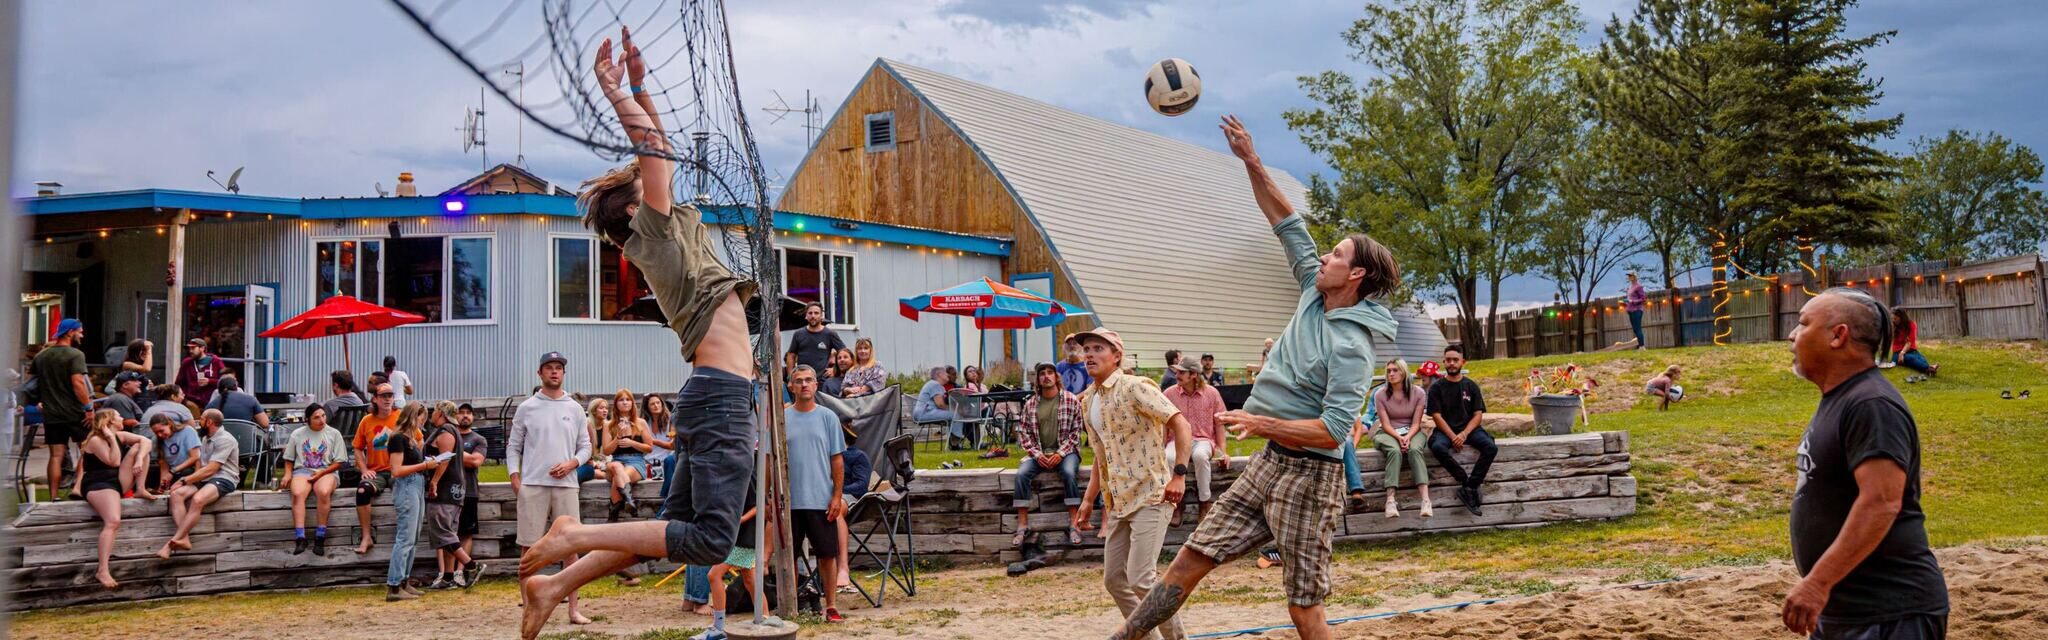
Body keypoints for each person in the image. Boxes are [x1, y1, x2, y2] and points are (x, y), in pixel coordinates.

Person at [1110, 116, 1401, 640]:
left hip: (1313, 478)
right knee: (1189, 562)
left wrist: (1262, 421)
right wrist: (1251, 160)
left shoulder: (1353, 344)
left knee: (1303, 608)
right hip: (1269, 463)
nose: (1324, 256)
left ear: (1355, 275)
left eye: (1337, 254)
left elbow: (1336, 431)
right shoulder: (1315, 290)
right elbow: (1287, 221)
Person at [518, 33, 766, 638]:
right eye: (641, 183)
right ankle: (573, 535)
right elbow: (652, 146)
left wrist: (644, 88)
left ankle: (552, 585)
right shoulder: (650, 234)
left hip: (713, 395)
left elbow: (661, 150)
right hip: (723, 397)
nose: (651, 176)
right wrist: (616, 90)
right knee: (709, 541)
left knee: (665, 534)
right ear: (634, 211)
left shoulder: (663, 229)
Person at [1781, 288, 1948, 638]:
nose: (1792, 335)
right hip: (1844, 611)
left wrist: (1816, 584)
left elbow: (1882, 502)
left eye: (1803, 324)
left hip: (1888, 615)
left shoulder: (1871, 403)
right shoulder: (1842, 398)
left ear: (1838, 336)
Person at [1067, 328, 1195, 640]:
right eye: (1087, 349)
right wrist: (1087, 501)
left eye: (1098, 348)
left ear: (1117, 356)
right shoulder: (1088, 401)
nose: (1090, 354)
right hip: (1119, 501)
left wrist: (1179, 474)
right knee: (1114, 580)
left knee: (1142, 578)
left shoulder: (1136, 387)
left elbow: (1181, 423)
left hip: (1152, 493)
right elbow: (1101, 456)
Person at [508, 352, 595, 623]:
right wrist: (514, 476)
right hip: (533, 484)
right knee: (528, 547)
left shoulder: (574, 408)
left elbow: (586, 446)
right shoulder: (527, 407)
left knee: (571, 548)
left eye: (559, 368)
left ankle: (573, 609)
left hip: (566, 484)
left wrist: (572, 463)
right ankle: (528, 608)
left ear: (564, 373)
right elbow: (514, 446)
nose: (554, 372)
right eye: (549, 368)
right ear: (540, 373)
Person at [784, 366, 850, 622]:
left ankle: (830, 606)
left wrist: (836, 496)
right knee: (787, 556)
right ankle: (789, 604)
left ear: (816, 385)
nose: (804, 385)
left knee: (826, 554)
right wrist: (769, 495)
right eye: (798, 381)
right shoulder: (781, 418)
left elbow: (837, 460)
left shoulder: (828, 417)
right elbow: (769, 459)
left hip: (820, 499)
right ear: (791, 386)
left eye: (809, 380)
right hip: (789, 500)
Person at [81, 409, 157, 589]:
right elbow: (114, 461)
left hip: (117, 480)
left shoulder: (121, 435)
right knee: (113, 521)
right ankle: (103, 570)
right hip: (98, 482)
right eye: (119, 416)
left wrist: (138, 458)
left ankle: (140, 488)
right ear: (109, 422)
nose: (122, 417)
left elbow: (147, 441)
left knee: (141, 447)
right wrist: (109, 439)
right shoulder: (96, 440)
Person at [1014, 363, 1086, 546]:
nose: (1046, 376)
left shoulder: (1071, 400)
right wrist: (1037, 455)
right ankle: (1022, 525)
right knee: (1021, 475)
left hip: (1066, 452)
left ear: (1056, 377)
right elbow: (1023, 433)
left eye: (1050, 373)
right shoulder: (1031, 404)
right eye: (1042, 374)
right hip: (1039, 453)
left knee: (1069, 473)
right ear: (1037, 379)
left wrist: (1060, 454)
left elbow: (1076, 432)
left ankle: (1074, 524)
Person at [155, 409, 239, 560]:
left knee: (198, 499)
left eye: (201, 418)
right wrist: (190, 480)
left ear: (209, 422)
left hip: (224, 478)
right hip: (205, 479)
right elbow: (201, 464)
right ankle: (184, 538)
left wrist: (184, 480)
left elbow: (212, 469)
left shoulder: (226, 439)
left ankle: (170, 544)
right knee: (176, 494)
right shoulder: (206, 437)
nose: (198, 421)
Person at [1427, 345, 1496, 518]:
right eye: (1448, 360)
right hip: (1445, 430)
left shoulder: (1471, 386)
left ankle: (1471, 487)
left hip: (1469, 429)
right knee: (1437, 447)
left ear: (1462, 362)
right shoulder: (1436, 388)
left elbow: (1478, 415)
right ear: (1443, 362)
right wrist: (1452, 436)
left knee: (1490, 447)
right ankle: (1465, 481)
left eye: (1455, 360)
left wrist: (1464, 434)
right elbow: (1436, 416)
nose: (1451, 363)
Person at [383, 403, 442, 601]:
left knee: (413, 536)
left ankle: (404, 580)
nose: (422, 423)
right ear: (412, 418)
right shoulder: (398, 438)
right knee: (405, 537)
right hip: (406, 485)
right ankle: (394, 584)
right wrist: (425, 464)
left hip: (416, 484)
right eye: (421, 419)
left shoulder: (409, 439)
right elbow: (396, 470)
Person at [1163, 360, 1229, 528]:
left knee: (1200, 456)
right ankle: (1176, 505)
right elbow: (1162, 424)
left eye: (1181, 373)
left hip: (1203, 439)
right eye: (1176, 372)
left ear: (1193, 375)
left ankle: (1204, 503)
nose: (1176, 375)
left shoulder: (1212, 393)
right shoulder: (1169, 393)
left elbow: (1219, 423)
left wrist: (1222, 451)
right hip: (1176, 439)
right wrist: (1160, 447)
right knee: (1168, 456)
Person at [425, 401, 483, 590]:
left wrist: (434, 481)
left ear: (440, 413)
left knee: (442, 530)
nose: (431, 415)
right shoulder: (451, 431)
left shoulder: (446, 432)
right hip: (454, 489)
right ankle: (448, 576)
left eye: (434, 412)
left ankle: (472, 566)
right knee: (448, 532)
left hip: (445, 490)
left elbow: (444, 459)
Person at [33, 318, 93, 499]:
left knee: (55, 456)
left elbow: (34, 383)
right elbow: (78, 383)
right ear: (70, 332)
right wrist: (88, 407)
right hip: (75, 412)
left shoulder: (41, 356)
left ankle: (53, 497)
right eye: (79, 331)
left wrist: (40, 401)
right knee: (86, 449)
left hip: (51, 414)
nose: (82, 334)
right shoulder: (75, 355)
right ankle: (77, 487)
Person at [283, 403, 349, 556]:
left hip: (326, 470)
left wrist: (322, 473)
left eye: (323, 416)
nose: (321, 420)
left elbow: (340, 462)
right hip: (303, 470)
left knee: (323, 491)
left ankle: (320, 535)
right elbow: (288, 458)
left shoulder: (334, 433)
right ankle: (300, 537)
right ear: (308, 420)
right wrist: (287, 474)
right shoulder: (298, 434)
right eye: (316, 417)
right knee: (298, 493)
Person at [1371, 360, 1432, 519]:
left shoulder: (1418, 393)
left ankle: (1425, 500)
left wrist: (1407, 437)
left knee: (1414, 450)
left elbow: (1416, 422)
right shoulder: (1380, 394)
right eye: (1389, 371)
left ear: (1403, 372)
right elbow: (1384, 424)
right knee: (1394, 451)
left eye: (1395, 370)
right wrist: (1399, 438)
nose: (1391, 374)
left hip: (1412, 430)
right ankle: (1390, 500)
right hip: (1387, 432)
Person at [351, 381, 402, 555]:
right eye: (383, 396)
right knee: (362, 491)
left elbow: (418, 439)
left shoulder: (400, 417)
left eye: (390, 395)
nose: (387, 399)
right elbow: (357, 447)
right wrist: (364, 469)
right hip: (377, 471)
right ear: (375, 399)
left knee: (405, 492)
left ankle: (403, 536)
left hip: (397, 470)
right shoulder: (367, 421)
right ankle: (366, 536)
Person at [604, 389, 655, 522]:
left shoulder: (640, 422)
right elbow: (606, 451)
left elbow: (649, 448)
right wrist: (618, 437)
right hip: (616, 461)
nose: (625, 402)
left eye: (628, 399)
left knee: (618, 478)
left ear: (632, 403)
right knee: (616, 466)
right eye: (621, 400)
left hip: (636, 461)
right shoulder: (609, 425)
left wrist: (632, 442)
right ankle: (629, 500)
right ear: (615, 404)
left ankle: (612, 517)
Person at [834, 426, 871, 592]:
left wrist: (837, 493)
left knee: (835, 510)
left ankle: (843, 567)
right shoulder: (820, 456)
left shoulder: (857, 456)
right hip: (819, 499)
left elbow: (861, 486)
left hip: (847, 500)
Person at [456, 403, 490, 572]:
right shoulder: (448, 435)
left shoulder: (478, 439)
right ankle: (444, 573)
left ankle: (460, 572)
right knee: (446, 534)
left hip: (469, 491)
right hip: (446, 492)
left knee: (466, 533)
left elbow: (476, 462)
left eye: (468, 413)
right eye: (461, 413)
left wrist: (450, 452)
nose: (465, 416)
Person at [788, 302, 846, 380]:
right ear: (806, 316)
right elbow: (791, 355)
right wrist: (791, 377)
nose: (813, 316)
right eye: (810, 313)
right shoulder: (798, 334)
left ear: (821, 316)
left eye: (816, 313)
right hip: (802, 379)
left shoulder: (830, 334)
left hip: (822, 380)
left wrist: (835, 370)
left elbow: (845, 353)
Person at [150, 413, 203, 492]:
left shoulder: (187, 431)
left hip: (189, 469)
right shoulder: (157, 440)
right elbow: (164, 465)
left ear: (169, 424)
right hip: (173, 472)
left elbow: (195, 456)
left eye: (161, 431)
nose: (159, 435)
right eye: (156, 433)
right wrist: (163, 484)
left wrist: (173, 471)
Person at [174, 337, 225, 411]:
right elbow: (179, 383)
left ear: (202, 348)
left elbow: (225, 381)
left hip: (211, 402)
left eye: (193, 348)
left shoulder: (216, 362)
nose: (190, 351)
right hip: (191, 401)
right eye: (189, 348)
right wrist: (184, 399)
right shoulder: (187, 363)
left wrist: (209, 381)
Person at [1887, 308, 1939, 377]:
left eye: (1895, 318)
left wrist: (1902, 353)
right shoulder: (1893, 326)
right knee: (1911, 358)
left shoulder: (1911, 324)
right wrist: (1901, 354)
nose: (1893, 320)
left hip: (1910, 349)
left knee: (1920, 358)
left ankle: (1929, 369)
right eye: (1893, 318)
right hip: (1897, 353)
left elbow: (1909, 342)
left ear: (1901, 317)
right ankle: (1928, 369)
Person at [914, 366, 960, 443]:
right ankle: (956, 441)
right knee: (956, 414)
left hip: (924, 412)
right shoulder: (935, 384)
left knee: (953, 414)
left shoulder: (932, 384)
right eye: (945, 373)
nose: (948, 375)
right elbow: (940, 405)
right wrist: (952, 409)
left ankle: (954, 440)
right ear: (939, 374)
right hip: (925, 413)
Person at [205, 375, 269, 429]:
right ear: (236, 387)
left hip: (221, 442)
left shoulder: (211, 405)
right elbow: (265, 423)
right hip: (247, 440)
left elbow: (205, 426)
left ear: (219, 390)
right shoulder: (251, 399)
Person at [580, 398, 613, 484]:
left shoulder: (608, 426)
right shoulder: (586, 425)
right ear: (594, 410)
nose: (605, 411)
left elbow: (609, 451)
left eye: (606, 408)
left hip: (604, 462)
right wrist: (594, 464)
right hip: (588, 462)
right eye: (601, 408)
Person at [1625, 272, 1648, 350]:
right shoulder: (1630, 287)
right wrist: (1626, 302)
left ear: (1635, 276)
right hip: (1630, 310)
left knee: (1638, 328)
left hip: (1637, 310)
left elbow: (1643, 299)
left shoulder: (1639, 287)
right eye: (1628, 276)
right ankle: (1640, 346)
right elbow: (1629, 299)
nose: (1629, 277)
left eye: (1630, 275)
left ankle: (1642, 346)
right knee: (1635, 329)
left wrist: (1633, 301)